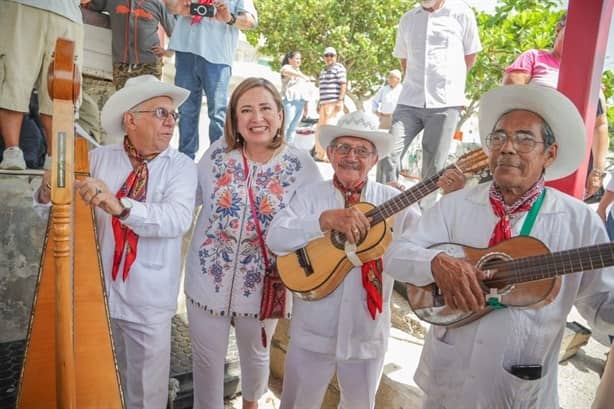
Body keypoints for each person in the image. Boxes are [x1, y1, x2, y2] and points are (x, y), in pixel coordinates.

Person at [386, 84, 614, 408]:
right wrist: (436, 263)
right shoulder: (456, 205)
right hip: (445, 388)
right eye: (498, 138)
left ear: (550, 153)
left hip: (518, 393)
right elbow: (395, 255)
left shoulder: (580, 222)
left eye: (524, 139)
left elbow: (603, 308)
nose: (507, 147)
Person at [35, 75, 197, 408]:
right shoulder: (96, 159)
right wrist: (46, 191)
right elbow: (49, 215)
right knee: (101, 384)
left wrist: (120, 207)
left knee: (146, 394)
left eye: (173, 115)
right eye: (161, 113)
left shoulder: (181, 167)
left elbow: (177, 219)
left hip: (149, 300)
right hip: (98, 296)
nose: (171, 122)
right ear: (131, 119)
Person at [266, 111, 421, 409]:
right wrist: (323, 221)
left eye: (362, 150)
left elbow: (424, 245)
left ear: (375, 159)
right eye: (343, 148)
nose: (352, 156)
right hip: (312, 329)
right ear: (331, 153)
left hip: (366, 331)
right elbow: (276, 239)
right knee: (298, 403)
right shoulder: (310, 196)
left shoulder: (394, 202)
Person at [184, 78, 321, 409]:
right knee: (206, 362)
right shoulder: (216, 154)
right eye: (246, 109)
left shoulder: (301, 165)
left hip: (264, 285)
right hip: (206, 277)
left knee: (257, 353)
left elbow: (315, 227)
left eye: (264, 108)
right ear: (234, 118)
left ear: (279, 114)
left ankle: (252, 404)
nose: (256, 118)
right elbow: (186, 200)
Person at [503, 13, 609, 200]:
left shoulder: (593, 76)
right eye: (572, 31)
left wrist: (597, 171)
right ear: (559, 30)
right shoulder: (534, 58)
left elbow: (600, 126)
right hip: (531, 152)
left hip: (573, 162)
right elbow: (511, 98)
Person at [377, 0, 481, 184]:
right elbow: (404, 60)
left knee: (433, 168)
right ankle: (383, 206)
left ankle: (425, 211)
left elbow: (470, 55)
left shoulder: (462, 13)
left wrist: (451, 83)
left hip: (445, 102)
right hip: (409, 100)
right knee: (388, 153)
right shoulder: (407, 19)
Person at [164, 0, 258, 160]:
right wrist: (179, 6)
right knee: (185, 111)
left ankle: (219, 161)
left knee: (218, 114)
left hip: (217, 55)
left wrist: (230, 18)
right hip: (185, 49)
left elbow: (251, 22)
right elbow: (171, 6)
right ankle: (185, 161)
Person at [0, 0, 84, 170]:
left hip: (67, 13)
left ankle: (56, 158)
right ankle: (12, 152)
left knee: (63, 88)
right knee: (14, 77)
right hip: (23, 5)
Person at [83, 0, 176, 90]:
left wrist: (168, 52)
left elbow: (175, 33)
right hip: (121, 64)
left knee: (149, 100)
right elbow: (88, 5)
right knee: (124, 101)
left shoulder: (158, 4)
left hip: (150, 63)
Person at [313, 46, 347, 161]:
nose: (329, 57)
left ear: (336, 57)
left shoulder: (339, 68)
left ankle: (330, 156)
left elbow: (343, 84)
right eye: (326, 55)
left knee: (330, 130)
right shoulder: (323, 71)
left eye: (331, 55)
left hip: (334, 104)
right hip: (324, 104)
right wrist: (319, 103)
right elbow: (322, 89)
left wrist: (340, 100)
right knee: (320, 130)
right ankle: (320, 154)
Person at [281, 51, 311, 145]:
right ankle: (278, 148)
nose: (299, 60)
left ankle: (287, 150)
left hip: (300, 103)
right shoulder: (287, 68)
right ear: (290, 59)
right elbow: (285, 72)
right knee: (285, 127)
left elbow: (304, 91)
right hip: (290, 102)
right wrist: (302, 76)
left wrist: (306, 107)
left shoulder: (299, 72)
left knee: (293, 128)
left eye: (300, 59)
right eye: (297, 58)